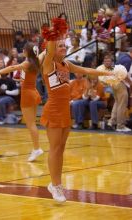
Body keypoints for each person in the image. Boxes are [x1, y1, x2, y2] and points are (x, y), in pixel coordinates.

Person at [40, 18, 113, 203]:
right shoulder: (49, 64)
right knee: (54, 149)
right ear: (52, 50)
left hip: (65, 110)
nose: (64, 48)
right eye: (60, 46)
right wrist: (53, 34)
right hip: (54, 110)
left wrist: (108, 73)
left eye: (65, 45)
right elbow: (49, 50)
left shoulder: (67, 65)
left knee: (61, 149)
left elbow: (88, 70)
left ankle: (56, 184)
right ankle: (56, 186)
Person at [0, 42, 44, 162]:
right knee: (31, 124)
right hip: (33, 92)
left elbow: (12, 68)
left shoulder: (27, 63)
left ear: (28, 51)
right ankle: (36, 148)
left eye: (24, 49)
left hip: (27, 93)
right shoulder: (36, 60)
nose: (22, 50)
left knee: (30, 124)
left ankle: (37, 149)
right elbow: (43, 53)